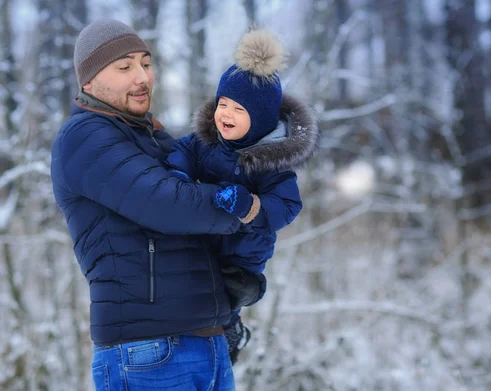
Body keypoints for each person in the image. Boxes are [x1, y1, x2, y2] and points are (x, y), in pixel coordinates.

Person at [50, 19, 254, 390]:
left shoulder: (154, 138)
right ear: (89, 81)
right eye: (124, 67)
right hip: (148, 352)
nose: (141, 77)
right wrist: (248, 209)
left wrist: (228, 309)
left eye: (146, 63)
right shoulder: (83, 137)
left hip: (205, 341)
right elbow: (170, 206)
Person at [165, 29, 319, 364]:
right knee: (195, 289)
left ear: (261, 118)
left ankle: (232, 331)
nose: (226, 115)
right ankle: (201, 341)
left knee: (226, 296)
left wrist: (250, 207)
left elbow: (288, 204)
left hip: (242, 255)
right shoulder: (205, 142)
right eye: (222, 104)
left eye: (238, 109)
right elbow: (181, 152)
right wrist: (177, 174)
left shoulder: (270, 162)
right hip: (206, 242)